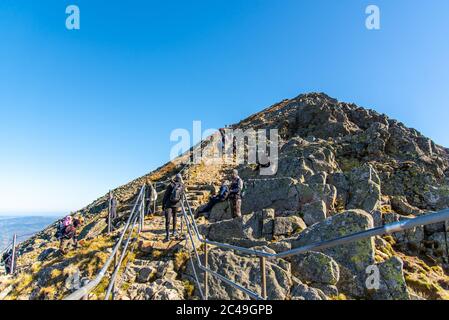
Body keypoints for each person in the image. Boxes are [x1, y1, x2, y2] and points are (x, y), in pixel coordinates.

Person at [162, 174, 184, 241]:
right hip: (176, 204)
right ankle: (174, 232)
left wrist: (163, 205)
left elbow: (165, 196)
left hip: (169, 205)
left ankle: (168, 235)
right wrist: (181, 204)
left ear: (175, 178)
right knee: (175, 217)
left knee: (168, 220)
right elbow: (181, 196)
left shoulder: (170, 185)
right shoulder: (182, 186)